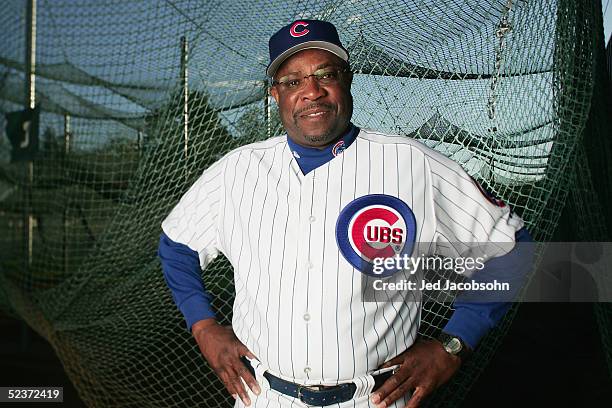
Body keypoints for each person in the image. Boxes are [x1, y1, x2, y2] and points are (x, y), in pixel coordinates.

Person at [158, 19, 532, 408]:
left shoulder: (413, 164)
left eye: (326, 74)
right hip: (264, 396)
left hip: (375, 398)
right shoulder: (236, 170)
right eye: (292, 81)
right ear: (275, 95)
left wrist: (454, 344)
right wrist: (203, 327)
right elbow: (176, 246)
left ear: (348, 80)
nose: (311, 91)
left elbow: (512, 250)